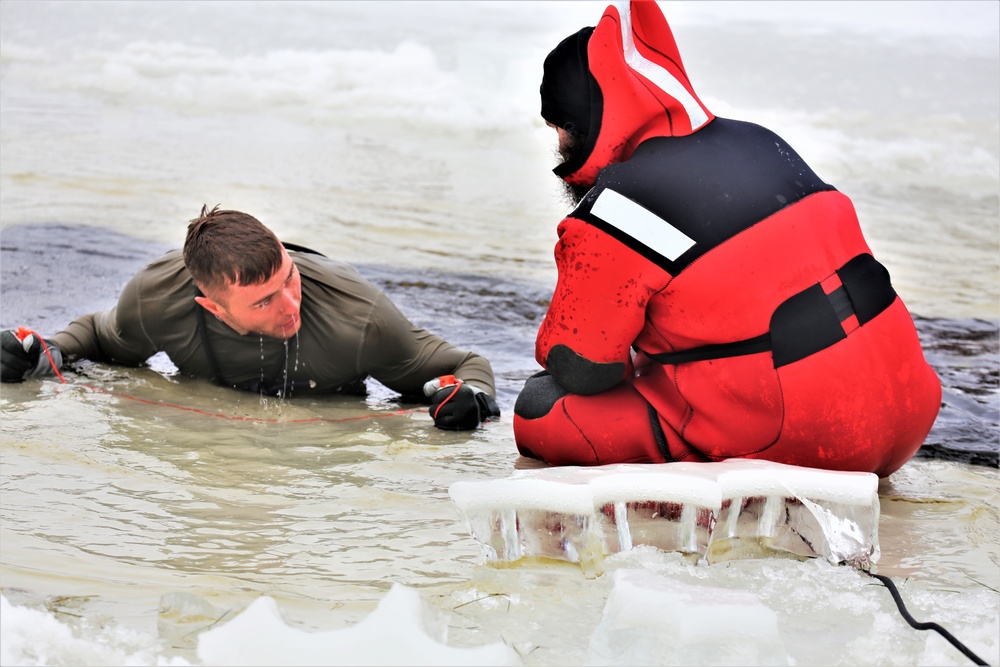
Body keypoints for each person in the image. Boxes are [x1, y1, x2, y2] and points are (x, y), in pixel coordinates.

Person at [512, 0, 941, 476]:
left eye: (560, 131)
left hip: (811, 439)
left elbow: (582, 367)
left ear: (584, 122)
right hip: (913, 411)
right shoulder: (759, 140)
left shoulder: (617, 204)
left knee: (541, 407)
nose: (558, 151)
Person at [1, 205, 501, 431]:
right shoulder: (158, 299)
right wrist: (40, 351)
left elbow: (467, 363)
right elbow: (98, 337)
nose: (289, 305)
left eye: (289, 277)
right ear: (212, 307)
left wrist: (469, 401)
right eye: (264, 301)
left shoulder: (359, 318)